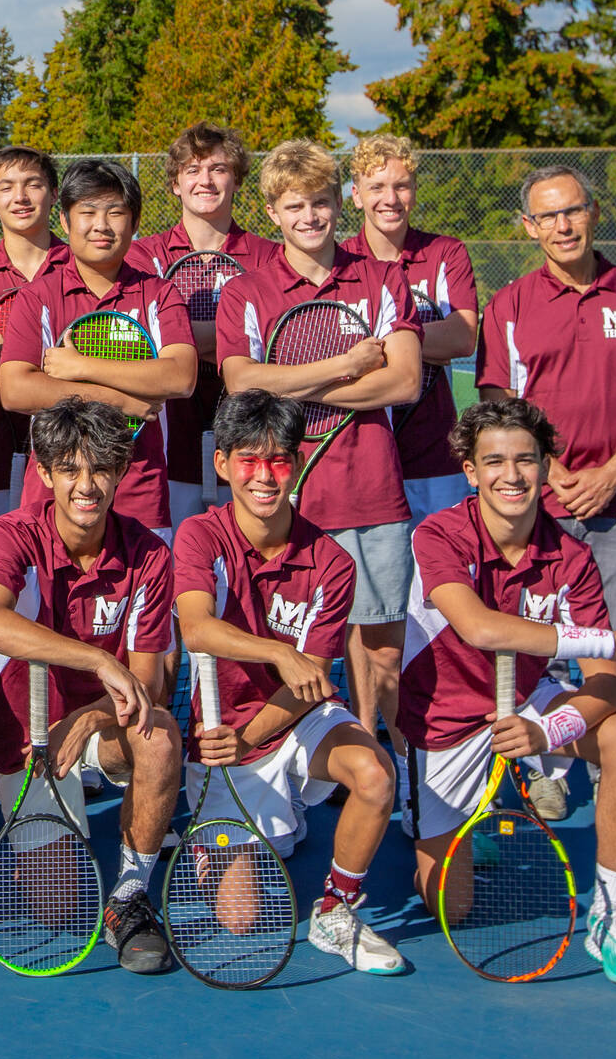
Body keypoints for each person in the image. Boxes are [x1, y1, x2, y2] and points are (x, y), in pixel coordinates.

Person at [399, 397, 616, 986]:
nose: (510, 475)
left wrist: (549, 729)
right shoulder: (439, 535)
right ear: (470, 471)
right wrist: (602, 637)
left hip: (527, 706)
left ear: (546, 466)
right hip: (442, 722)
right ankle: (446, 824)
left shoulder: (572, 556)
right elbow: (479, 628)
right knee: (451, 906)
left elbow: (606, 687)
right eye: (494, 461)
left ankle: (612, 915)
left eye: (525, 460)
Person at [475, 165, 616, 822]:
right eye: (547, 216)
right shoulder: (508, 305)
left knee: (610, 649)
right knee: (539, 646)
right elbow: (498, 401)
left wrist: (611, 474)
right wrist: (554, 469)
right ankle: (545, 768)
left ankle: (607, 766)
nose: (562, 226)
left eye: (573, 211)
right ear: (529, 227)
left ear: (595, 213)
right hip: (533, 506)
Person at [172, 389, 407, 975]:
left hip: (288, 721)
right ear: (222, 464)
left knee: (376, 774)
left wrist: (252, 736)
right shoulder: (201, 537)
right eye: (248, 460)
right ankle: (216, 840)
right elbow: (197, 629)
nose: (264, 476)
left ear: (296, 465)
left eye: (278, 460)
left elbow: (307, 686)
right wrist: (279, 653)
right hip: (221, 734)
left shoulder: (332, 563)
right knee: (240, 917)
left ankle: (338, 907)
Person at [216, 140, 422, 749]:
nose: (310, 216)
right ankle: (301, 764)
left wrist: (290, 383)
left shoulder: (383, 281)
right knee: (300, 655)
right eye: (295, 205)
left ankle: (393, 772)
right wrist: (346, 368)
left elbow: (405, 381)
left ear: (340, 205)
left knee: (382, 659)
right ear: (273, 213)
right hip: (281, 499)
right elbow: (238, 382)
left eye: (321, 202)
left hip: (373, 495)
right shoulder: (245, 292)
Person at [0, 397, 184, 973]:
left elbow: (148, 686)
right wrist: (97, 661)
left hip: (95, 724)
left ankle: (130, 895)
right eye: (70, 470)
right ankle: (4, 821)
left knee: (159, 735)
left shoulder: (149, 554)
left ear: (121, 471)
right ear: (43, 472)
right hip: (24, 736)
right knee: (59, 907)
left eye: (100, 469)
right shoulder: (12, 535)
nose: (86, 486)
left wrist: (88, 715)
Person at [0, 158, 197, 545]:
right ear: (66, 221)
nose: (101, 226)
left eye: (115, 213)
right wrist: (120, 399)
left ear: (135, 223)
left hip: (139, 493)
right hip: (50, 500)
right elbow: (16, 390)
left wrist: (79, 366)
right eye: (87, 212)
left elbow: (180, 377)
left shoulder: (159, 293)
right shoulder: (38, 297)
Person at [126, 123, 276, 525]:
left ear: (237, 178)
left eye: (218, 168)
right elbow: (142, 345)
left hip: (254, 447)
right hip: (167, 449)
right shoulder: (142, 257)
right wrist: (234, 341)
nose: (204, 180)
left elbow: (279, 343)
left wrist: (182, 341)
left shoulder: (270, 257)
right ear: (175, 183)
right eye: (192, 170)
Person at [340, 134, 478, 524]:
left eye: (401, 185)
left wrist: (379, 344)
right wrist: (421, 341)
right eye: (377, 187)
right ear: (355, 195)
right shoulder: (339, 260)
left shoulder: (445, 253)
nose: (390, 198)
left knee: (440, 576)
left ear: (414, 190)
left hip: (436, 453)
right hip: (359, 450)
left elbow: (462, 336)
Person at [0, 145, 69, 520]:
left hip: (75, 450)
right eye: (6, 187)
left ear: (53, 194)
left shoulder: (84, 268)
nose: (19, 197)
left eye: (32, 184)